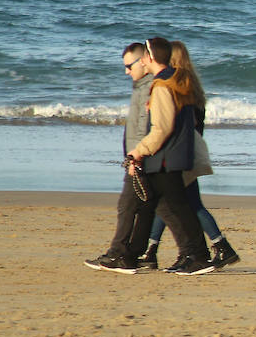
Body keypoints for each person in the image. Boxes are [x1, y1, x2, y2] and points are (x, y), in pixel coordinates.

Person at [140, 41, 240, 271]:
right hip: (187, 151)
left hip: (179, 152)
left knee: (183, 203)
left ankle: (220, 246)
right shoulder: (189, 84)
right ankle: (154, 251)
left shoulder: (176, 86)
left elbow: (177, 124)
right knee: (172, 202)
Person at [124, 37, 217, 275]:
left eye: (144, 55)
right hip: (171, 156)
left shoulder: (164, 85)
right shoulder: (176, 81)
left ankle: (199, 255)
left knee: (179, 208)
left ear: (151, 58)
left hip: (165, 157)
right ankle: (134, 255)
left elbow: (162, 128)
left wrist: (139, 150)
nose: (141, 60)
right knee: (156, 206)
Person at [83, 43, 158, 274]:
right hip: (140, 156)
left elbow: (146, 127)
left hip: (141, 157)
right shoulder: (142, 86)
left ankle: (119, 254)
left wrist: (136, 157)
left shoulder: (149, 88)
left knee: (127, 206)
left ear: (143, 61)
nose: (126, 71)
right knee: (145, 208)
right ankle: (133, 255)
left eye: (129, 66)